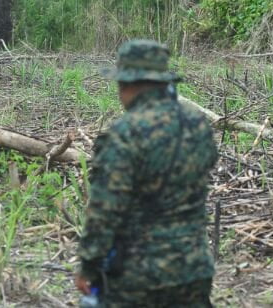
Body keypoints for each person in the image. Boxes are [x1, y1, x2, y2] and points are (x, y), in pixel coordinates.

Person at [75, 39, 218, 307]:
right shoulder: (198, 124)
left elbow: (105, 211)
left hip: (138, 277)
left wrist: (89, 266)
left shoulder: (125, 134)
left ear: (128, 84)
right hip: (194, 268)